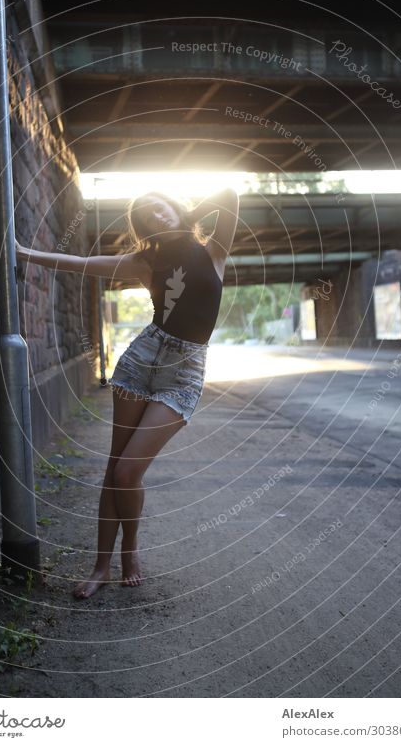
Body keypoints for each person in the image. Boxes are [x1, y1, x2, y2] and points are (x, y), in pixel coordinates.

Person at [13, 188, 239, 598]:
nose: (156, 213)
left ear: (175, 206)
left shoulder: (214, 251)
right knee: (114, 469)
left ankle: (130, 552)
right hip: (140, 363)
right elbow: (80, 263)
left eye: (162, 205)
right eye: (147, 214)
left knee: (126, 472)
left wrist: (192, 210)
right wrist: (23, 253)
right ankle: (101, 566)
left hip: (183, 375)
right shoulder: (145, 261)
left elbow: (230, 193)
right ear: (144, 228)